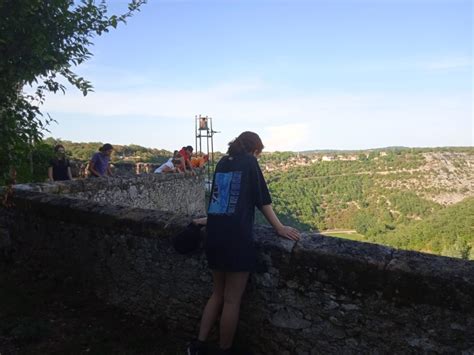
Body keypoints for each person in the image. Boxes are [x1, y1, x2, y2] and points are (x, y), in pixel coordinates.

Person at [187, 131, 300, 354]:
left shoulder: (221, 162)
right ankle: (224, 350)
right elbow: (262, 200)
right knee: (231, 301)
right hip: (236, 239)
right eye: (259, 153)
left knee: (217, 294)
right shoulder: (249, 162)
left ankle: (198, 345)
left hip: (215, 235)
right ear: (254, 150)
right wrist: (279, 228)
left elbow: (221, 201)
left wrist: (206, 220)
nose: (258, 157)